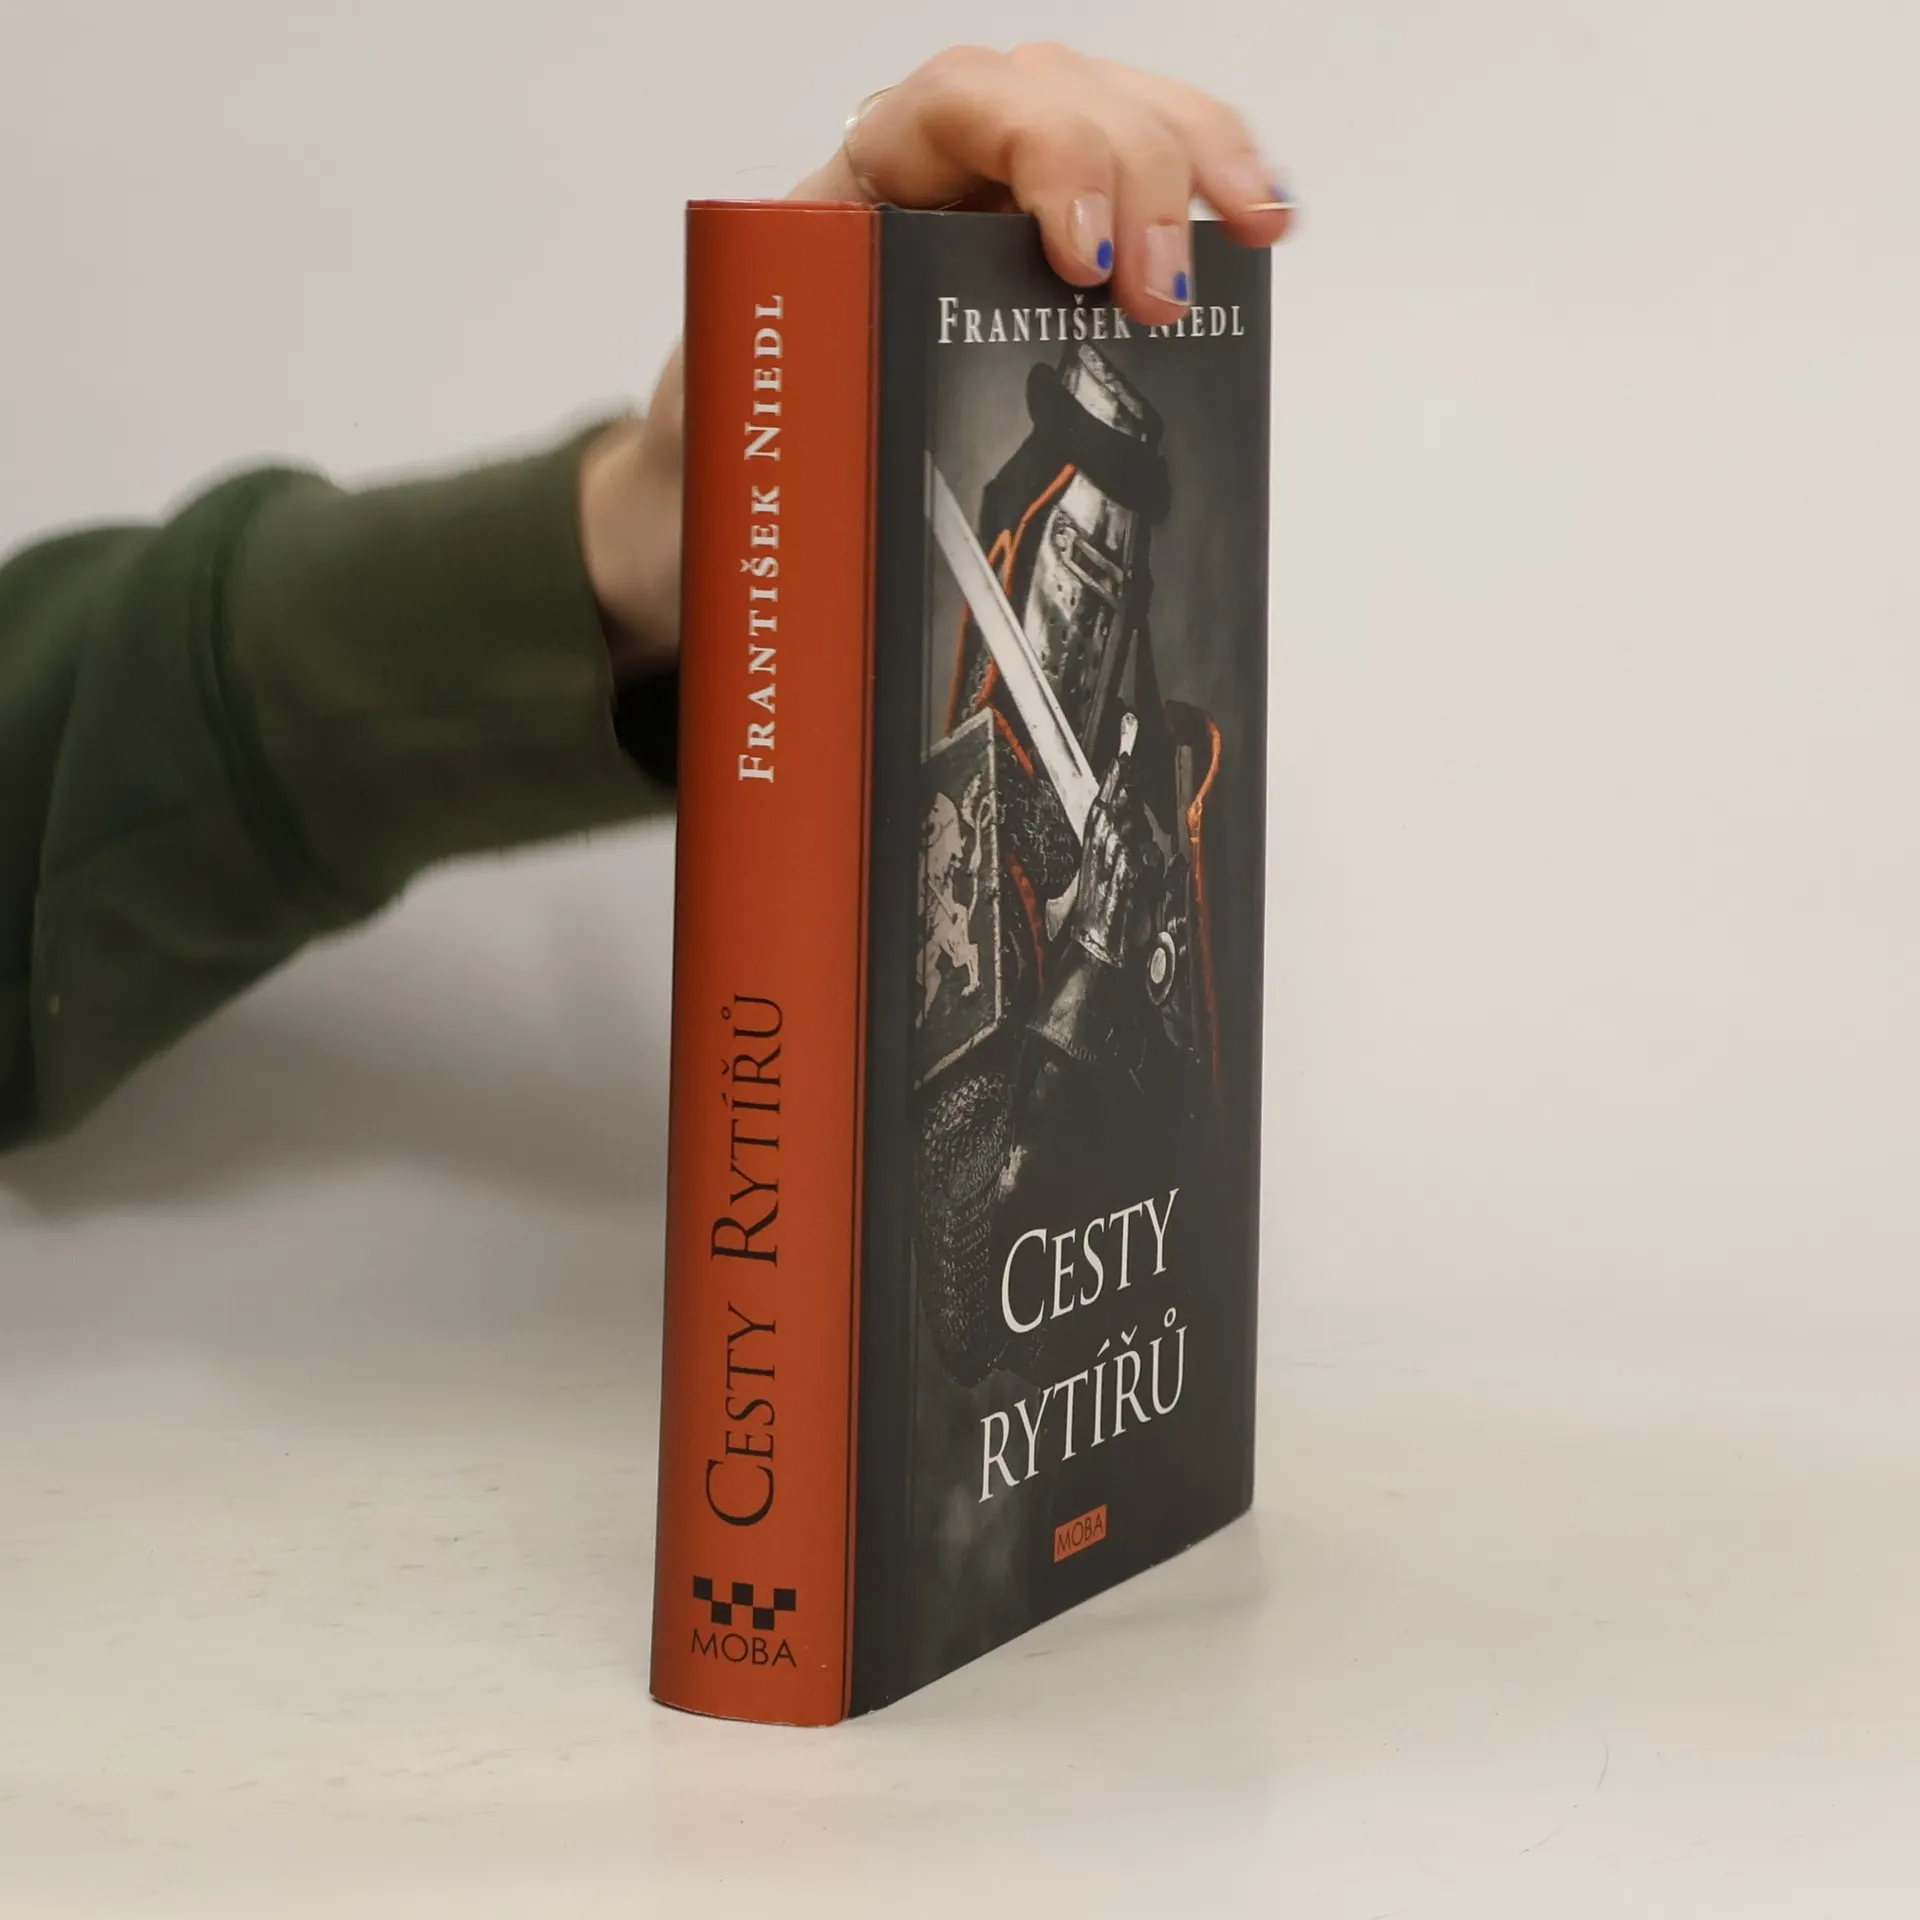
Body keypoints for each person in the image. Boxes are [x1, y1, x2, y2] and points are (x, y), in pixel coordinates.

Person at [0, 44, 1293, 1153]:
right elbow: (970, 1226)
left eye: (1118, 580)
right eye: (1075, 565)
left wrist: (649, 536)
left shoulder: (1169, 796)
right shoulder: (962, 835)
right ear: (1013, 550)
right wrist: (1091, 966)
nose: (1094, 611)